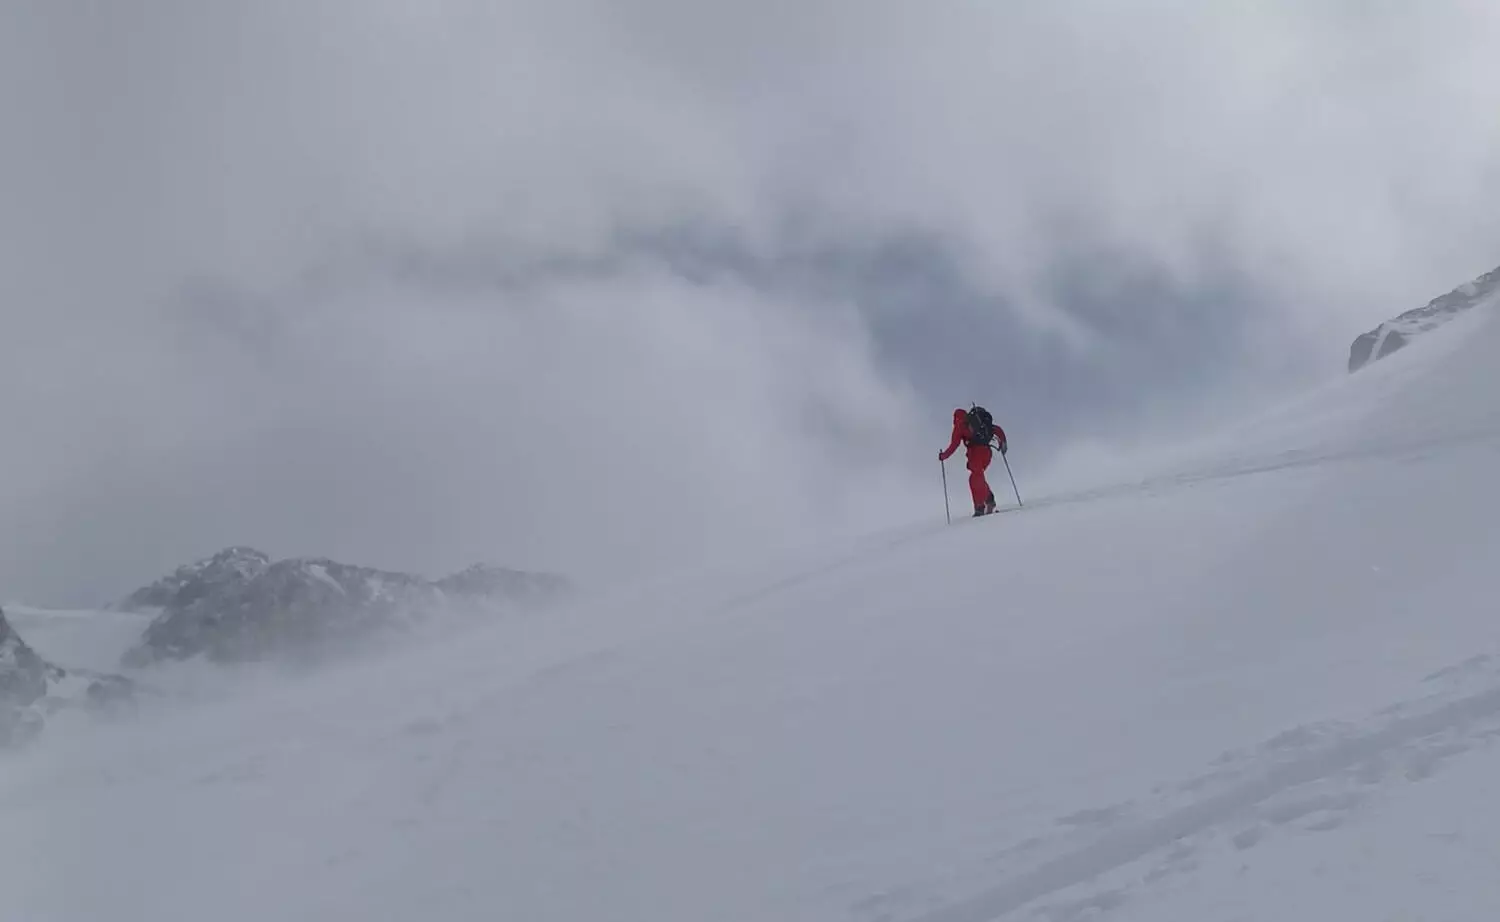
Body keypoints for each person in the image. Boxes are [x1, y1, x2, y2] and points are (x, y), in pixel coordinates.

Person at [939, 406, 1008, 516]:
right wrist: (1003, 443)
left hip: (976, 455)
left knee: (975, 478)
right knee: (978, 477)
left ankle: (980, 507)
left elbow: (954, 445)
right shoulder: (977, 422)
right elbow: (996, 429)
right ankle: (989, 500)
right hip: (986, 453)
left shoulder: (959, 426)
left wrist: (943, 456)